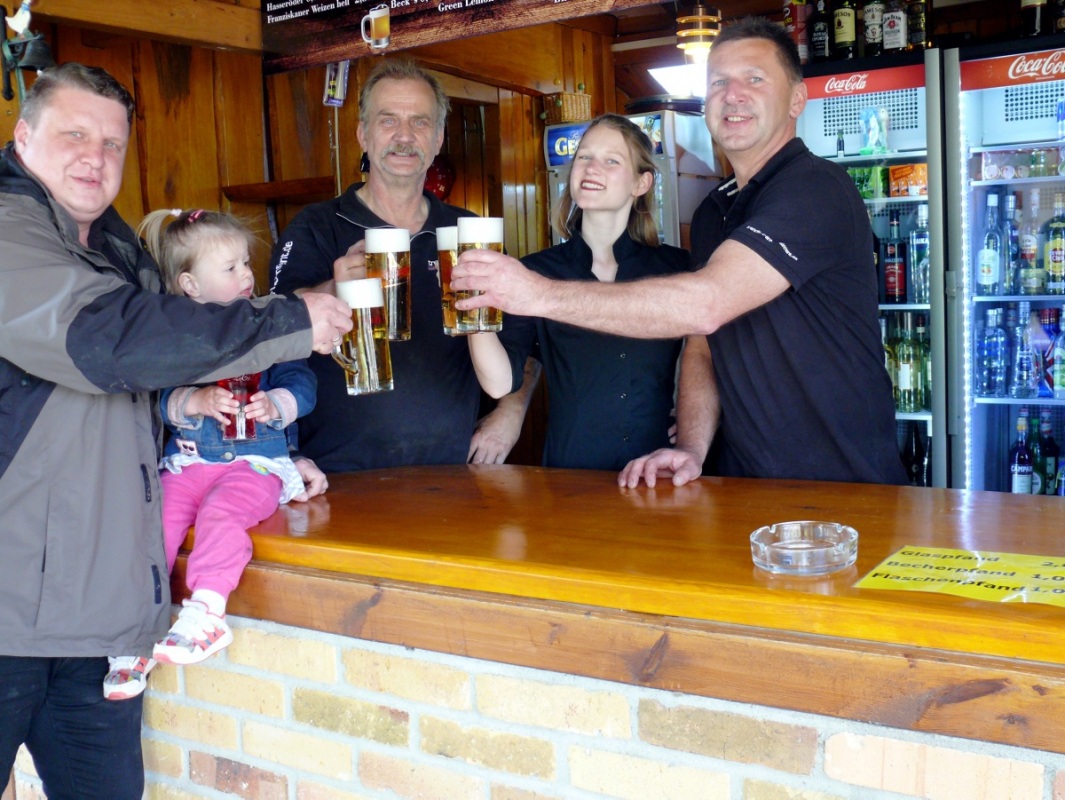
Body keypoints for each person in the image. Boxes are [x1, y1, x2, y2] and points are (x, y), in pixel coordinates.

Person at [0, 63, 351, 799]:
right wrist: (291, 320)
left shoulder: (117, 252)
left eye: (113, 143)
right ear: (23, 137)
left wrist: (278, 458)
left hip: (97, 625)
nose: (95, 156)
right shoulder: (10, 229)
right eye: (72, 135)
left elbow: (170, 375)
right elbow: (108, 341)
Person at [453, 17, 907, 488]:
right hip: (739, 483)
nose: (733, 94)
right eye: (718, 82)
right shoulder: (715, 212)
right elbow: (702, 345)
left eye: (754, 78)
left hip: (841, 482)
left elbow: (704, 305)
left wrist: (537, 295)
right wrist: (690, 447)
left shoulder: (815, 189)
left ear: (796, 99)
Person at [269, 57, 539, 472]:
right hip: (336, 474)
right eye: (388, 120)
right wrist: (332, 289)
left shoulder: (467, 232)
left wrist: (510, 411)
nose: (404, 136)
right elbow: (274, 322)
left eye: (420, 122)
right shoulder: (318, 225)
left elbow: (519, 342)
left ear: (438, 139)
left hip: (449, 475)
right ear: (363, 134)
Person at [102, 209, 318, 702]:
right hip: (192, 460)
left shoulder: (269, 321)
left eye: (246, 264)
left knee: (222, 517)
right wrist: (192, 401)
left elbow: (301, 382)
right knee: (153, 525)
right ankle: (132, 635)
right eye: (230, 269)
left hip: (254, 464)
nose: (246, 276)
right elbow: (158, 397)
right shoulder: (176, 335)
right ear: (190, 285)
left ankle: (207, 611)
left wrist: (278, 405)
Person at [468, 113, 703, 470]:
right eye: (584, 157)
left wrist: (691, 432)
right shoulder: (535, 272)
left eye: (612, 160)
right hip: (572, 473)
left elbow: (708, 360)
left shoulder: (678, 268)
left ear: (641, 183)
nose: (593, 167)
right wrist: (472, 306)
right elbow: (500, 382)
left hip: (659, 468)